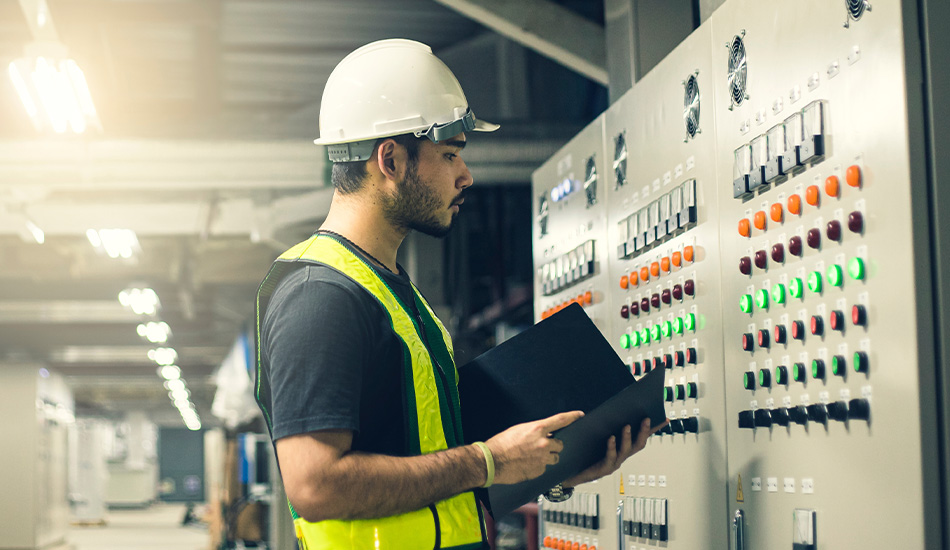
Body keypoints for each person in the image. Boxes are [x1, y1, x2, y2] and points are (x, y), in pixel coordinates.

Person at [254, 39, 662, 550]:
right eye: (450, 155)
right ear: (391, 159)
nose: (465, 176)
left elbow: (432, 480)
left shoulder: (393, 292)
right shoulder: (320, 296)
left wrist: (549, 467)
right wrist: (488, 460)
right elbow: (316, 486)